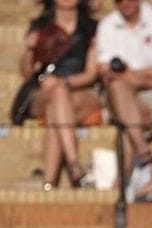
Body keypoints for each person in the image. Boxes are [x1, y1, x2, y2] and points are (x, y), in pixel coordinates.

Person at [19, 0, 102, 190]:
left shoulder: (91, 28)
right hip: (43, 92)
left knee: (56, 108)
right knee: (57, 96)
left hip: (77, 90)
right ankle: (74, 165)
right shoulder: (40, 25)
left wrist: (63, 83)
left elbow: (91, 74)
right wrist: (30, 49)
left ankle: (49, 183)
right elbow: (27, 73)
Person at [95, 0, 152, 172]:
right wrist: (151, 73)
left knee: (128, 119)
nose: (125, 2)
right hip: (121, 94)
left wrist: (135, 78)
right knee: (122, 96)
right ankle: (142, 150)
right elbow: (106, 73)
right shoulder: (107, 25)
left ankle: (119, 187)